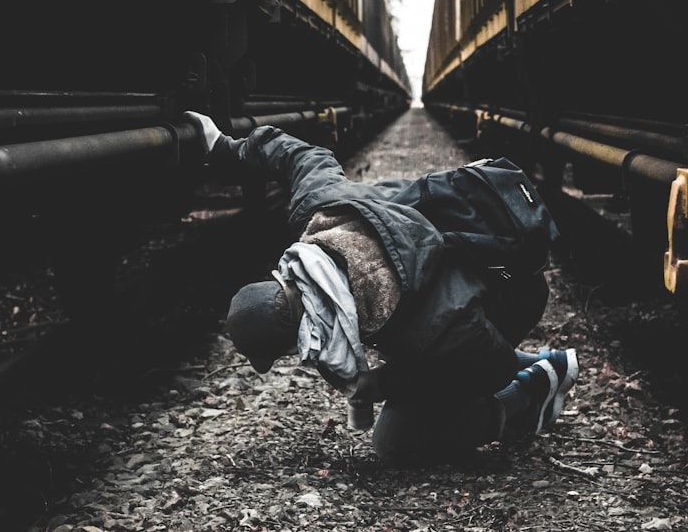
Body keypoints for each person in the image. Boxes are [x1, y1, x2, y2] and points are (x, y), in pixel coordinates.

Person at [184, 111, 579, 465]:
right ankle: (550, 363)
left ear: (300, 335)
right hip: (464, 281)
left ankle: (529, 395)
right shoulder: (320, 208)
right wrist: (222, 147)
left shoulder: (426, 326)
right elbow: (298, 154)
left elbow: (491, 367)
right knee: (452, 351)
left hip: (512, 292)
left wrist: (386, 382)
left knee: (395, 442)